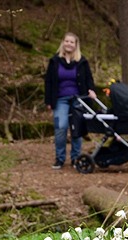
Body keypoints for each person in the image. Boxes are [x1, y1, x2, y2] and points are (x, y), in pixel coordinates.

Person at [44, 32, 96, 169]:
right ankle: (60, 158)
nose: (69, 44)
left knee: (76, 129)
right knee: (60, 127)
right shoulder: (54, 61)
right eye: (67, 41)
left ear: (76, 45)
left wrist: (91, 90)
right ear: (63, 43)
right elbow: (48, 81)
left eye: (72, 42)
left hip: (78, 98)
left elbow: (89, 78)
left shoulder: (82, 61)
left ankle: (75, 158)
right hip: (60, 99)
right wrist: (48, 100)